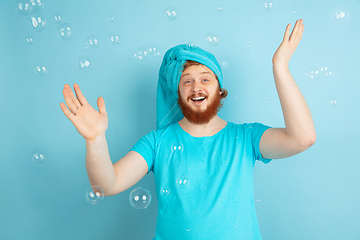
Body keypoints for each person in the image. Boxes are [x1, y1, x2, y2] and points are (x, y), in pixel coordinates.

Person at [60, 19, 315, 239]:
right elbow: (107, 185)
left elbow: (302, 138)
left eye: (206, 78)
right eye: (187, 81)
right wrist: (95, 139)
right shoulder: (157, 143)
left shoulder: (245, 138)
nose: (197, 87)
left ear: (219, 89)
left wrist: (280, 67)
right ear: (178, 93)